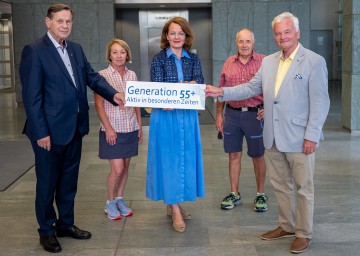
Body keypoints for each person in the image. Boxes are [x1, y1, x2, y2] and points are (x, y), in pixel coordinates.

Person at [205, 12, 330, 254]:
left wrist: (312, 135)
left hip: (299, 136)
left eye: (287, 31)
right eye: (278, 33)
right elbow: (251, 87)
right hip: (272, 134)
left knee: (303, 187)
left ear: (297, 32)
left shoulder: (313, 61)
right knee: (281, 185)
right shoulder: (269, 61)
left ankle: (304, 233)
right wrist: (221, 91)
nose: (282, 36)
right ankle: (287, 225)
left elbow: (320, 101)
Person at [19, 4, 125, 253]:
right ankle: (46, 231)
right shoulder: (34, 51)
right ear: (48, 22)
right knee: (47, 184)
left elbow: (91, 77)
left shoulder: (75, 49)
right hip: (48, 133)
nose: (65, 25)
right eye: (60, 21)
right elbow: (31, 97)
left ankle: (65, 224)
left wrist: (114, 94)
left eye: (68, 21)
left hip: (74, 128)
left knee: (68, 181)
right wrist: (41, 132)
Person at [146, 17, 205, 233]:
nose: (177, 37)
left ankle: (174, 204)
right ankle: (175, 210)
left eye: (181, 33)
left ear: (186, 36)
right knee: (169, 160)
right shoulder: (159, 58)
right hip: (166, 116)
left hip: (187, 116)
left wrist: (189, 85)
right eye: (172, 33)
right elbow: (158, 86)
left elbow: (199, 80)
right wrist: (175, 92)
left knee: (185, 159)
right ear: (166, 36)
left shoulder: (193, 58)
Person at [216, 28, 268, 212]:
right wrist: (219, 115)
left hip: (255, 115)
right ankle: (234, 194)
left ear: (253, 43)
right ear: (236, 43)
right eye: (241, 41)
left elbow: (274, 89)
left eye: (248, 41)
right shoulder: (229, 62)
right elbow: (221, 91)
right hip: (233, 115)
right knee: (233, 154)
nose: (244, 45)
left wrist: (268, 109)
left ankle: (260, 194)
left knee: (257, 156)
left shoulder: (264, 62)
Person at [94, 39, 143, 220]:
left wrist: (139, 126)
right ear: (109, 55)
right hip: (113, 129)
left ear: (127, 54)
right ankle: (110, 202)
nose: (119, 55)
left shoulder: (132, 75)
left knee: (126, 167)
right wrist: (108, 129)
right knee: (117, 169)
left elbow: (137, 103)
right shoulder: (102, 76)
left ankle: (120, 198)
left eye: (122, 52)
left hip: (130, 127)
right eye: (115, 52)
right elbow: (99, 105)